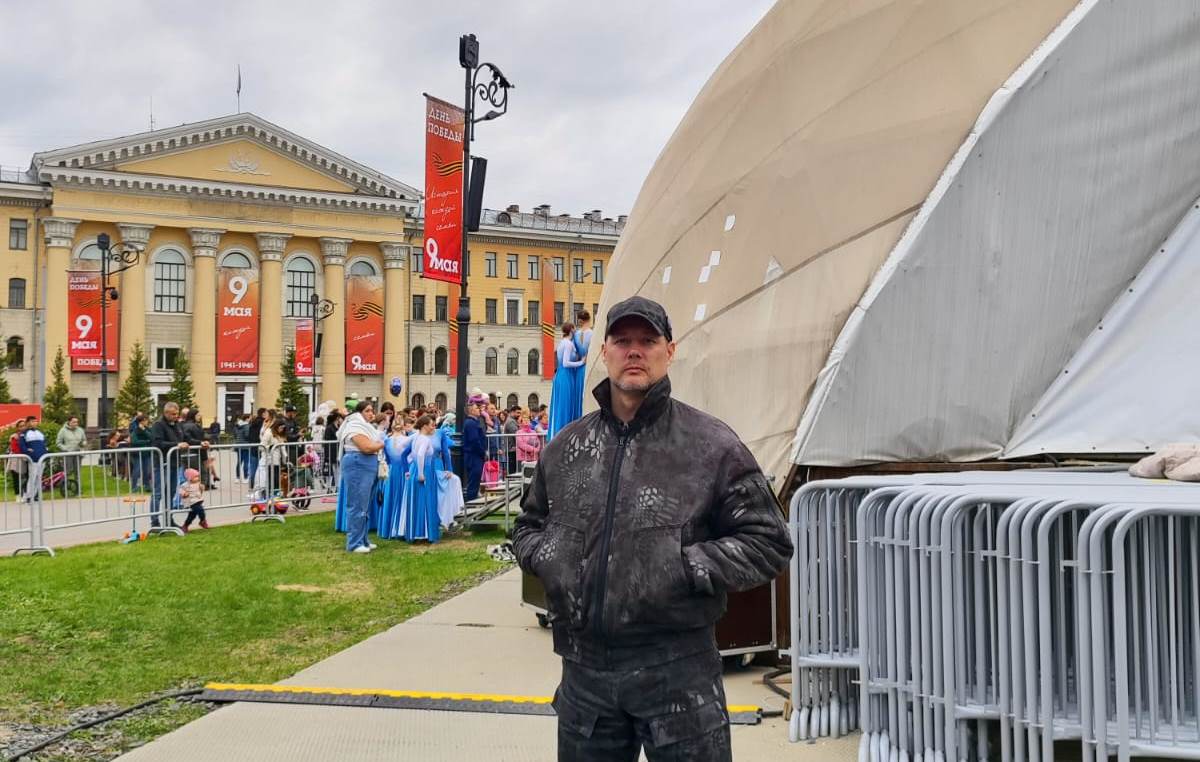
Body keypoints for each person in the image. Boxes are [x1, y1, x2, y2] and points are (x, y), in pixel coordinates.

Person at [512, 296, 793, 762]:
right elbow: (528, 526)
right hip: (586, 677)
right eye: (622, 341)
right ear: (604, 352)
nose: (634, 351)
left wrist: (684, 567)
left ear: (670, 350)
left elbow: (768, 541)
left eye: (648, 340)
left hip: (677, 673)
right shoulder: (568, 448)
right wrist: (552, 557)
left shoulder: (711, 446)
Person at [337, 400, 384, 553]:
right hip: (358, 463)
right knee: (357, 504)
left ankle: (363, 539)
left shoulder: (367, 427)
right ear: (359, 413)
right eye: (368, 411)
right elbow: (366, 447)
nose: (371, 413)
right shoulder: (354, 426)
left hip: (367, 465)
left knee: (365, 506)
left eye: (372, 410)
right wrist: (382, 444)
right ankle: (354, 543)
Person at [149, 402, 187, 528]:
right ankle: (155, 522)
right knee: (158, 493)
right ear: (166, 413)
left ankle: (168, 519)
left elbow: (185, 438)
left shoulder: (178, 425)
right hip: (162, 463)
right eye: (173, 414)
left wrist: (202, 442)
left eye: (177, 413)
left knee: (170, 493)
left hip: (174, 463)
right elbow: (157, 443)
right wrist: (176, 445)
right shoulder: (158, 425)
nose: (176, 416)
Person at [548, 323, 586, 440]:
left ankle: (559, 435)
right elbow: (565, 363)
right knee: (565, 406)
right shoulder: (568, 344)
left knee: (561, 405)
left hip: (561, 375)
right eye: (574, 328)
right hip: (566, 375)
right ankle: (564, 436)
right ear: (571, 330)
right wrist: (581, 362)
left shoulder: (562, 343)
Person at [461, 402, 486, 501]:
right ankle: (471, 504)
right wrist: (482, 452)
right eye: (476, 408)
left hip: (474, 455)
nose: (479, 409)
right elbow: (474, 441)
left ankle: (472, 501)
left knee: (475, 481)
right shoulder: (471, 423)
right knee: (473, 482)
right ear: (471, 410)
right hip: (474, 456)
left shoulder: (473, 422)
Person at [178, 467, 209, 533]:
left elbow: (200, 490)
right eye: (196, 477)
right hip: (191, 502)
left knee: (192, 515)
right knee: (201, 510)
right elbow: (180, 490)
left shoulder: (198, 484)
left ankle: (185, 525)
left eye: (198, 476)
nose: (198, 478)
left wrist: (202, 488)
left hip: (197, 500)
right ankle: (202, 520)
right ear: (190, 478)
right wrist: (184, 493)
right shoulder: (185, 485)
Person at [56, 416, 87, 480]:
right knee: (68, 471)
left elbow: (84, 440)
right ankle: (65, 486)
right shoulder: (63, 431)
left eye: (77, 422)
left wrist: (83, 443)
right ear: (69, 422)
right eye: (74, 422)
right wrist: (66, 449)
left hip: (78, 453)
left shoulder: (80, 430)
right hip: (67, 454)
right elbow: (58, 443)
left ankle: (78, 488)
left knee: (77, 471)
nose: (76, 424)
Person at [129, 413, 153, 491]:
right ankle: (134, 486)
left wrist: (144, 430)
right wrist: (146, 441)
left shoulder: (147, 428)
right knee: (137, 469)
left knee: (147, 470)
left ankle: (147, 486)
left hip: (146, 453)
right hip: (137, 453)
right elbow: (134, 441)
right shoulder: (135, 429)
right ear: (142, 421)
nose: (147, 422)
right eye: (146, 420)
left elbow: (151, 437)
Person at [6, 419, 27, 497]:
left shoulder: (29, 435)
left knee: (26, 478)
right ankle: (17, 495)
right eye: (21, 426)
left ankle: (25, 494)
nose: (23, 427)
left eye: (24, 425)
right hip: (16, 458)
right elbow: (14, 448)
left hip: (26, 458)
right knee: (16, 478)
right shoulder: (14, 436)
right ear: (18, 428)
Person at [234, 414, 252, 483]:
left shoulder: (238, 425)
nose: (250, 419)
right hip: (245, 445)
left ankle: (237, 477)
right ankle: (245, 477)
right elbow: (247, 435)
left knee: (239, 462)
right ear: (247, 419)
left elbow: (235, 434)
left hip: (238, 444)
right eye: (249, 418)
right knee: (246, 462)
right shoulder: (246, 426)